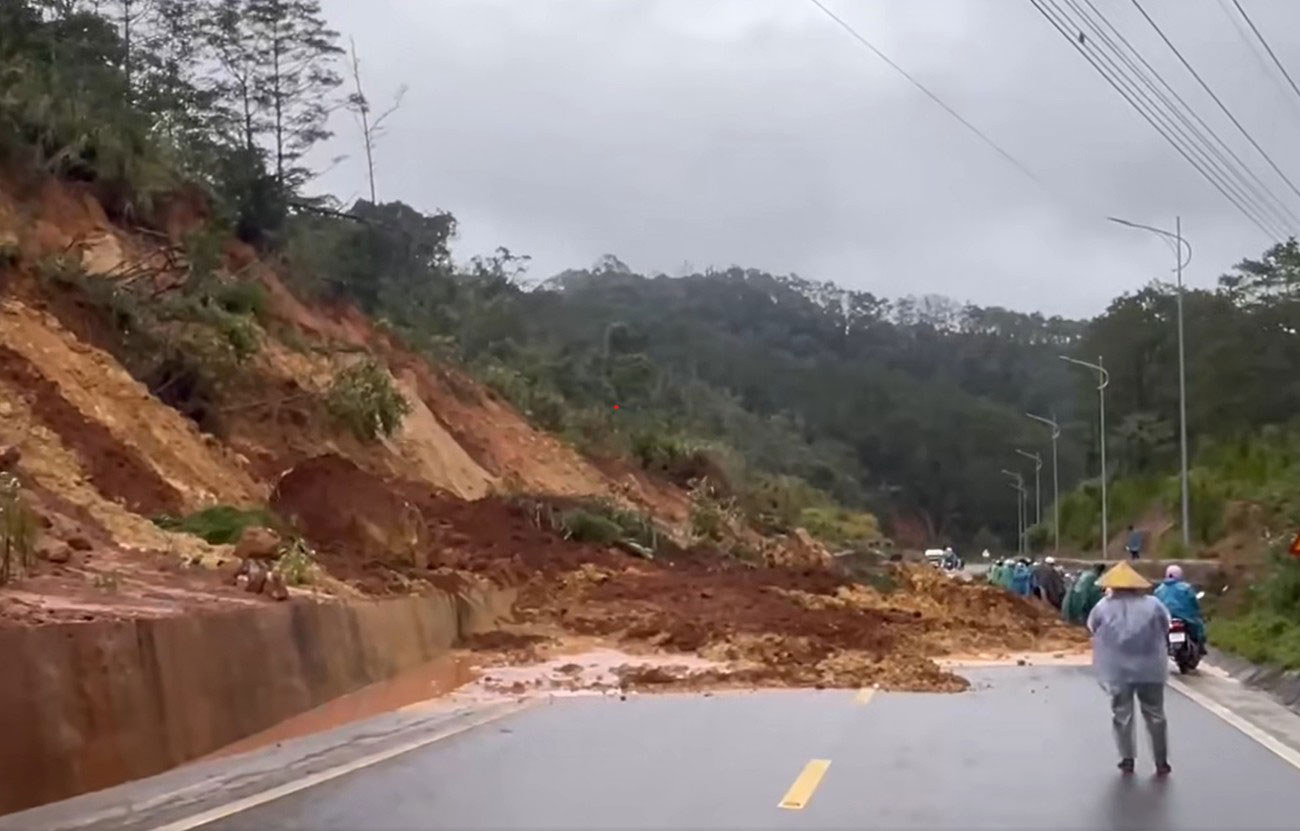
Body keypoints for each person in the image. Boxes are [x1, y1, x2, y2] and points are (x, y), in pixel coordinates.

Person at [1087, 561, 1172, 776]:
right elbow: (1166, 625)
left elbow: (1092, 627)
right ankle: (1161, 761)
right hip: (1150, 667)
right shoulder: (1153, 604)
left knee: (1122, 714)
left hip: (1118, 669)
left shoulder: (1103, 606)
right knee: (1155, 714)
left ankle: (1127, 758)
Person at [1154, 564, 1206, 655]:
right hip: (1185, 617)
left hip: (1166, 618)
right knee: (1199, 627)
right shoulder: (1186, 588)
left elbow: (1156, 605)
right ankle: (1201, 647)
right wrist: (1198, 612)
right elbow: (1194, 602)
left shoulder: (1159, 590)